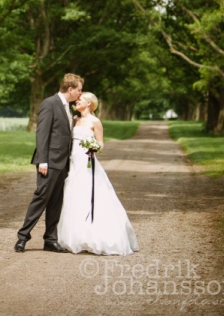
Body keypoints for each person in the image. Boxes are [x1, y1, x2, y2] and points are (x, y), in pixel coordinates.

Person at [57, 92, 139, 255]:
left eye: (79, 100)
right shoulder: (74, 120)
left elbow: (101, 144)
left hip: (87, 163)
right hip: (74, 162)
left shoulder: (95, 121)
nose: (76, 102)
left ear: (88, 103)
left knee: (90, 194)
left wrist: (94, 148)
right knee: (74, 196)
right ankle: (75, 236)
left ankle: (98, 236)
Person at [14, 73, 84, 253]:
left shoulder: (67, 107)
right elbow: (42, 134)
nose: (80, 94)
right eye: (79, 90)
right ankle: (23, 237)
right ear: (70, 89)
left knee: (56, 202)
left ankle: (50, 240)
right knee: (41, 198)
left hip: (63, 164)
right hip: (49, 162)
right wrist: (43, 161)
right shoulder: (49, 104)